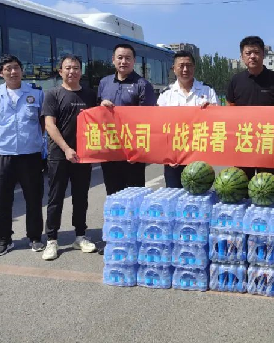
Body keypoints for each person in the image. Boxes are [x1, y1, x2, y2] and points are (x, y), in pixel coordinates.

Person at [0, 54, 45, 256]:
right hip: (2, 154)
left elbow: (43, 122)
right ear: (0, 73)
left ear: (22, 70)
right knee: (1, 200)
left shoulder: (36, 93)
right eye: (8, 69)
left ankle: (35, 237)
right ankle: (4, 239)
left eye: (16, 67)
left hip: (30, 154)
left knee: (34, 198)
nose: (13, 72)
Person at [41, 54, 98, 261]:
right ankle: (52, 240)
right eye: (68, 68)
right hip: (59, 155)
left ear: (81, 72)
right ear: (60, 71)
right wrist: (66, 148)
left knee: (81, 197)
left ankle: (80, 236)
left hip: (83, 155)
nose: (72, 71)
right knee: (55, 198)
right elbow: (49, 124)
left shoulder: (90, 95)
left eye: (76, 68)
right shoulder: (53, 94)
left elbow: (99, 120)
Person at [226, 36, 274, 180]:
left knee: (266, 186)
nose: (252, 56)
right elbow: (229, 111)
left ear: (263, 54)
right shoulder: (236, 80)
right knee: (241, 185)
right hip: (243, 142)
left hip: (267, 143)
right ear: (242, 56)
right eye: (248, 53)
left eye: (256, 52)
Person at [98, 43, 156, 194]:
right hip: (110, 148)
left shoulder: (143, 85)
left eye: (128, 58)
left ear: (134, 61)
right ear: (113, 59)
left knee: (134, 195)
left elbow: (147, 119)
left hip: (132, 151)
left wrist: (137, 151)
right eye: (120, 57)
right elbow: (96, 113)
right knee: (112, 193)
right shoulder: (104, 83)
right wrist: (101, 106)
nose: (123, 61)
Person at [157, 50, 219, 188]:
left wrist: (212, 111)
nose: (185, 69)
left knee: (200, 197)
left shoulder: (207, 91)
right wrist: (166, 154)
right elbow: (159, 128)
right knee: (174, 195)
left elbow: (218, 123)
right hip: (173, 157)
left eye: (189, 65)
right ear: (174, 69)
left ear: (194, 67)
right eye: (181, 66)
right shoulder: (166, 94)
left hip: (200, 157)